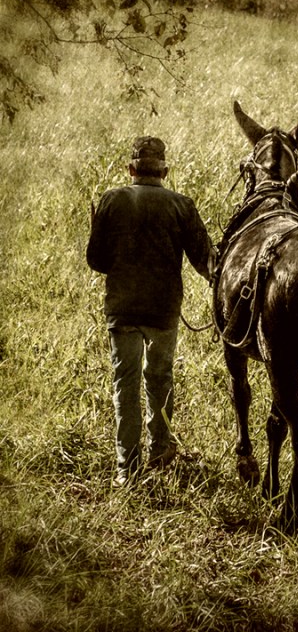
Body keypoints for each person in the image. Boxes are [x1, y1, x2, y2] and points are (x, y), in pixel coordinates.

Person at [87, 136, 213, 487]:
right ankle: (160, 453)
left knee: (125, 386)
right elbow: (205, 261)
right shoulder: (182, 205)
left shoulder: (112, 200)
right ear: (165, 172)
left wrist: (96, 229)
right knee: (159, 379)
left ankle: (126, 469)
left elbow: (97, 261)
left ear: (131, 169)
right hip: (163, 312)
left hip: (122, 311)